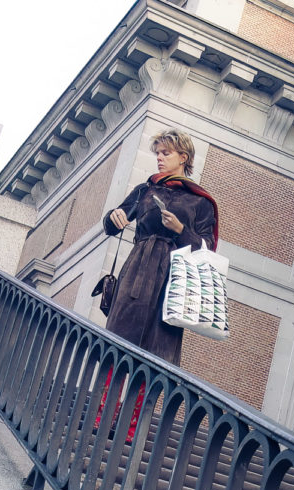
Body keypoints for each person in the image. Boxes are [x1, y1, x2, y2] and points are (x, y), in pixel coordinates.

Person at [96, 129, 219, 440]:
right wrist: (115, 217)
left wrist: (181, 230)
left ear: (184, 158)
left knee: (152, 356)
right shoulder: (144, 190)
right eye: (158, 153)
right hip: (137, 270)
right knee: (118, 344)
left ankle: (129, 428)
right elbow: (112, 224)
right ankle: (102, 417)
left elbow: (207, 249)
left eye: (166, 153)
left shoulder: (200, 202)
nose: (160, 158)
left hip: (172, 281)